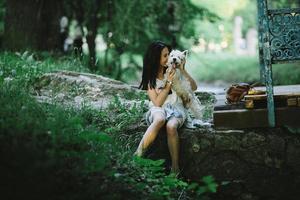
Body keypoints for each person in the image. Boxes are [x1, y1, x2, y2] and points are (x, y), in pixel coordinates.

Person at [134, 41, 197, 174]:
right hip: (158, 108)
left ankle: (175, 168)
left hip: (177, 107)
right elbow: (157, 102)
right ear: (156, 58)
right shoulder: (150, 78)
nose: (169, 58)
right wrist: (168, 83)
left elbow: (194, 87)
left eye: (169, 54)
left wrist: (183, 70)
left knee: (171, 126)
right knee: (159, 119)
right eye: (165, 55)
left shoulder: (174, 70)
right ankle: (137, 155)